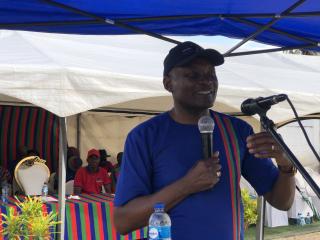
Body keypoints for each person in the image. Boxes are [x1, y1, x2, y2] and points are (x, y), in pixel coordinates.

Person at [113, 41, 296, 240]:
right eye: (193, 75)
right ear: (168, 83)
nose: (206, 82)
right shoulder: (144, 137)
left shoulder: (237, 131)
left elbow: (281, 202)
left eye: (211, 75)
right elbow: (123, 222)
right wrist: (186, 185)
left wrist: (286, 164)